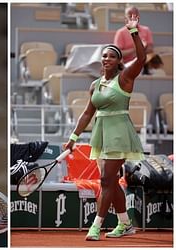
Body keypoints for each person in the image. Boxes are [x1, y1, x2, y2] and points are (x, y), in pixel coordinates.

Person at [64, 13, 146, 241]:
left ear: (118, 61)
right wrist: (73, 137)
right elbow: (88, 112)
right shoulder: (94, 85)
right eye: (104, 56)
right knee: (110, 181)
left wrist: (133, 32)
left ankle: (96, 226)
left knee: (106, 180)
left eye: (111, 56)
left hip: (120, 133)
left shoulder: (126, 77)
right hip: (101, 134)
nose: (106, 59)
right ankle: (126, 224)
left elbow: (141, 59)